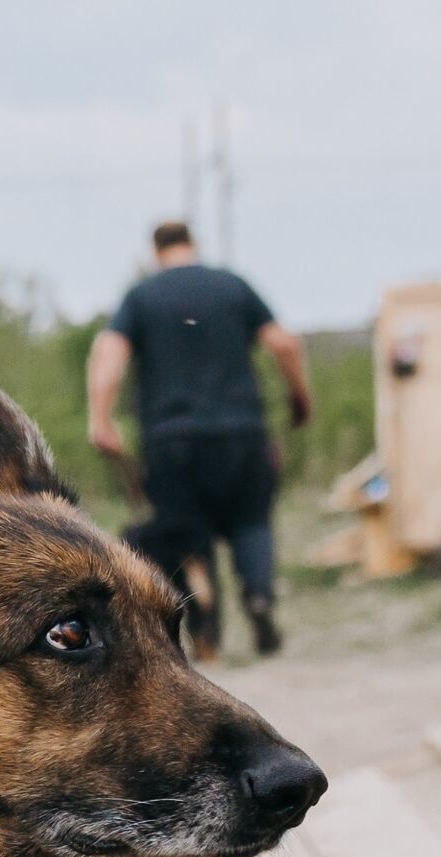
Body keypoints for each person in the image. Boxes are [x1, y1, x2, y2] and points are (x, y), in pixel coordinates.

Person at [86, 220, 312, 656]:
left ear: (156, 251)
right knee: (251, 521)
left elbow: (108, 353)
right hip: (241, 432)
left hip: (171, 439)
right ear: (194, 245)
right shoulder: (232, 286)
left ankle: (206, 635)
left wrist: (101, 418)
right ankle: (259, 597)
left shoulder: (142, 296)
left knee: (187, 538)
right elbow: (284, 344)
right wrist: (299, 397)